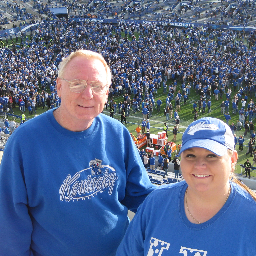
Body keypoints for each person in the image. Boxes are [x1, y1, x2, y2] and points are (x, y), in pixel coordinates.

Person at [0, 50, 156, 256]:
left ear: (107, 93)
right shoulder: (24, 142)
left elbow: (142, 196)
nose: (88, 94)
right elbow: (10, 222)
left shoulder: (118, 133)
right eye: (77, 83)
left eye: (97, 86)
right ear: (59, 87)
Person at [116, 117, 256, 256]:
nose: (199, 165)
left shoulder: (251, 218)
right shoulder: (156, 203)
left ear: (232, 160)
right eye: (190, 155)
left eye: (211, 156)